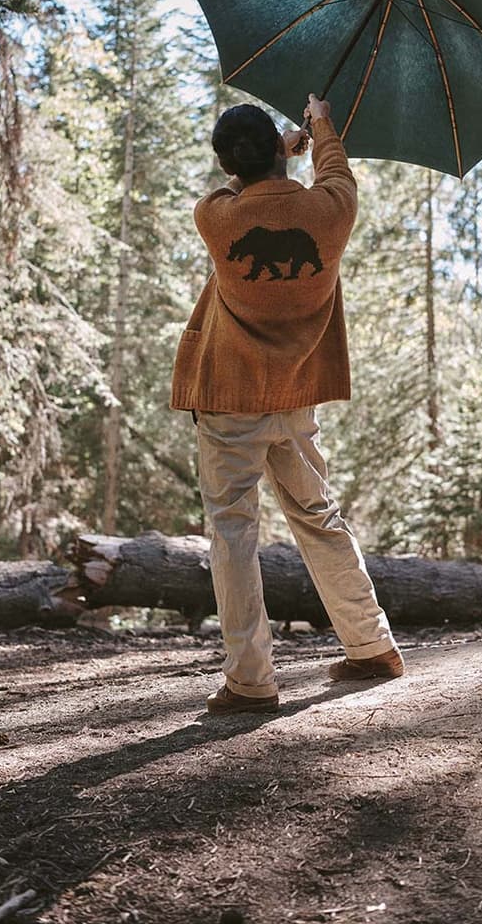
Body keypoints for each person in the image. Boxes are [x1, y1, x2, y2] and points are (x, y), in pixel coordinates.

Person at [170, 93, 403, 714]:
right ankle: (371, 644)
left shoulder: (214, 217)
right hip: (296, 394)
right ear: (279, 153)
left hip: (230, 399)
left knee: (233, 533)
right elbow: (336, 172)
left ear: (227, 168)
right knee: (318, 515)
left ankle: (251, 681)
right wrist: (319, 125)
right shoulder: (331, 211)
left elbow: (243, 192)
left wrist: (281, 148)